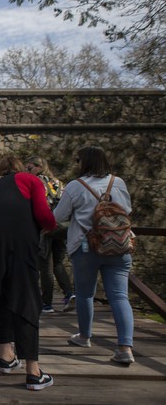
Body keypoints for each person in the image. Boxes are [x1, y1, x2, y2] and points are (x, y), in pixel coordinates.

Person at [0, 156, 57, 391]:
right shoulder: (30, 180)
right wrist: (49, 226)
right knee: (26, 302)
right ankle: (33, 372)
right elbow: (44, 216)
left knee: (1, 297)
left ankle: (6, 357)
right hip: (18, 246)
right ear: (20, 168)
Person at [53, 146, 135, 365]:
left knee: (85, 294)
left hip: (86, 246)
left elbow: (59, 216)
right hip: (119, 245)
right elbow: (126, 209)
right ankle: (125, 347)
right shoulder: (118, 182)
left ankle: (84, 336)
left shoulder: (75, 186)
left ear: (84, 162)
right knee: (120, 296)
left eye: (78, 160)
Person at [25, 156, 75, 313]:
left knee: (45, 265)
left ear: (39, 167)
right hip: (61, 228)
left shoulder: (37, 183)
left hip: (45, 227)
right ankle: (69, 294)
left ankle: (47, 303)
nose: (27, 171)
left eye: (29, 167)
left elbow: (37, 205)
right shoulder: (60, 183)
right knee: (58, 263)